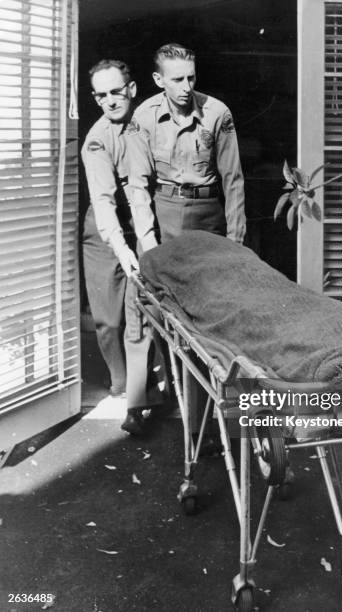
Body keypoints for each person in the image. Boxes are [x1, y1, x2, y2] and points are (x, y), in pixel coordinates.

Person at [81, 58, 161, 435]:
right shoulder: (97, 139)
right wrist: (124, 250)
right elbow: (103, 202)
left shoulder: (146, 122)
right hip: (104, 227)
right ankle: (121, 384)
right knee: (108, 319)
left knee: (140, 314)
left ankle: (140, 398)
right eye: (101, 95)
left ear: (131, 89)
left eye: (116, 91)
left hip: (141, 220)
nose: (110, 100)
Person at [126, 43, 246, 244]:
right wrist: (148, 242)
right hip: (164, 214)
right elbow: (138, 185)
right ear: (159, 80)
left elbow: (233, 180)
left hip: (208, 215)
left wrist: (236, 239)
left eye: (191, 78)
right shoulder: (144, 116)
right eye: (177, 79)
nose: (186, 87)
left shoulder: (217, 113)